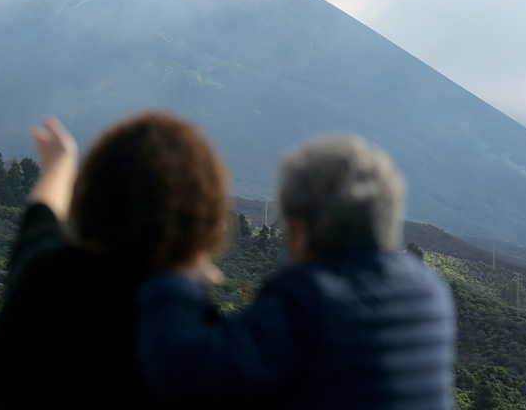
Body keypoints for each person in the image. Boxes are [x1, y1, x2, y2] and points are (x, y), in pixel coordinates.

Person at [136, 135, 456, 409]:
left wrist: (179, 271)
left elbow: (184, 372)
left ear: (303, 232)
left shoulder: (310, 296)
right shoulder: (429, 289)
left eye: (287, 227)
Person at [0, 113, 230, 409]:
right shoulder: (197, 342)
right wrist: (191, 259)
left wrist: (61, 164)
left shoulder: (43, 274)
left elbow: (41, 213)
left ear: (91, 199)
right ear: (206, 220)